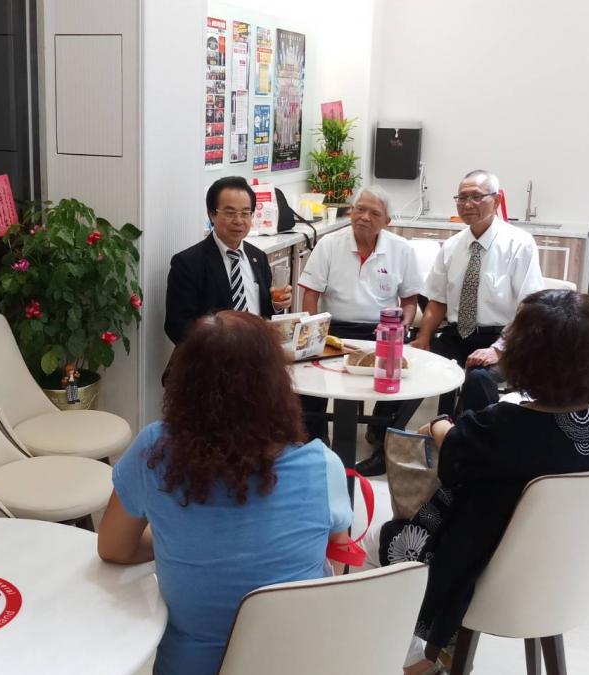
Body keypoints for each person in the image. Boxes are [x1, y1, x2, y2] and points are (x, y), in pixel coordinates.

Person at [374, 290, 589, 674]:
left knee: (383, 540)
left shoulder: (508, 425)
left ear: (527, 356)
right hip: (570, 567)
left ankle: (415, 660)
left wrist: (438, 425)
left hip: (487, 572)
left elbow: (454, 457)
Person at [98, 310, 352, 675]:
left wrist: (177, 539)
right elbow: (338, 557)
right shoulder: (322, 466)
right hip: (296, 664)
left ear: (184, 381)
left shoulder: (153, 451)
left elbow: (113, 548)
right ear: (276, 384)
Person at [296, 186, 425, 467]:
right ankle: (315, 438)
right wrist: (314, 332)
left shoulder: (401, 249)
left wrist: (402, 325)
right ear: (351, 212)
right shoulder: (329, 244)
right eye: (359, 209)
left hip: (382, 330)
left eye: (374, 213)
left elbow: (409, 301)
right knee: (304, 377)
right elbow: (311, 294)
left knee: (408, 375)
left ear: (387, 221)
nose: (364, 217)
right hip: (334, 329)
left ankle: (381, 431)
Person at [410, 170, 544, 420]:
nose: (468, 204)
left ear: (496, 200)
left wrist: (498, 350)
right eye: (462, 198)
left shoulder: (519, 244)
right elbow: (437, 300)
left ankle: (475, 438)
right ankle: (381, 432)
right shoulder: (452, 246)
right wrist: (424, 337)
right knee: (411, 362)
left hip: (503, 337)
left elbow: (530, 308)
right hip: (457, 334)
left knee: (479, 378)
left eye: (476, 196)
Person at [163, 176, 290, 345]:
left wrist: (277, 305)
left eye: (245, 213)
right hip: (213, 357)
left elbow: (265, 315)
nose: (238, 221)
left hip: (256, 353)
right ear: (212, 214)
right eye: (230, 213)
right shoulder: (188, 263)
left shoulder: (258, 257)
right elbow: (177, 326)